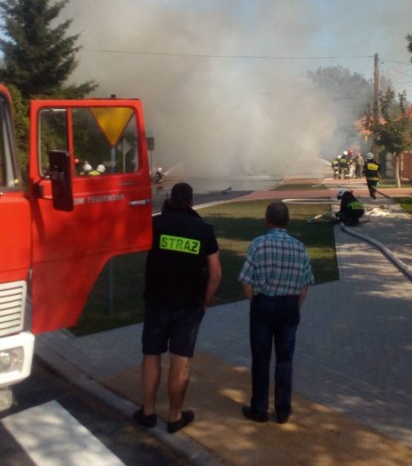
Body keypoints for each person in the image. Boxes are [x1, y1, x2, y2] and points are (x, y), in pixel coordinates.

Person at [134, 182, 222, 433]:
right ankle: (174, 417)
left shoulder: (156, 224)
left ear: (171, 199)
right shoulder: (204, 230)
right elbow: (215, 273)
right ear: (192, 201)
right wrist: (205, 302)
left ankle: (148, 412)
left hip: (156, 302)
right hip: (188, 305)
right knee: (180, 359)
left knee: (151, 354)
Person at [238, 201, 315, 425]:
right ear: (287, 221)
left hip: (263, 304)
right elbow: (305, 284)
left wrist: (257, 301)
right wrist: (295, 306)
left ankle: (259, 409)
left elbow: (245, 281)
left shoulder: (257, 244)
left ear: (267, 220)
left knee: (261, 359)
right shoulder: (300, 247)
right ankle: (282, 410)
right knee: (285, 360)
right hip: (289, 306)